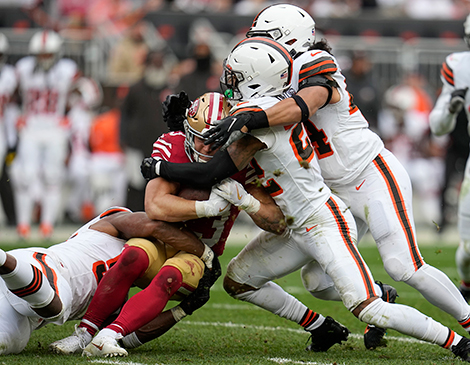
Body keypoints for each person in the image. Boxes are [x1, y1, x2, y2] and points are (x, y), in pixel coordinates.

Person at [141, 36, 470, 362]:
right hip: (293, 224)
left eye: (236, 76)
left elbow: (209, 170)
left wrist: (159, 165)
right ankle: (322, 326)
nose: (230, 82)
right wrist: (186, 117)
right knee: (239, 281)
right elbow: (221, 120)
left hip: (322, 221)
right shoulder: (268, 106)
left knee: (369, 309)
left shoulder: (260, 116)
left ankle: (457, 342)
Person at [51, 92, 290, 357]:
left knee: (171, 275)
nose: (207, 148)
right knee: (132, 255)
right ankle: (84, 334)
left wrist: (246, 200)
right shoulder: (172, 144)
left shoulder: (242, 161)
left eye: (215, 141)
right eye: (201, 138)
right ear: (187, 130)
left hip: (199, 253)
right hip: (163, 239)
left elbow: (277, 222)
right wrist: (206, 208)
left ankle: (110, 334)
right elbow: (155, 206)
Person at [0, 205, 213, 355]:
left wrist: (183, 309)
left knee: (8, 342)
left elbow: (130, 336)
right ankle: (2, 259)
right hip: (42, 266)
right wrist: (205, 253)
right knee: (54, 307)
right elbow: (154, 226)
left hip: (28, 315)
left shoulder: (115, 294)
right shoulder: (110, 224)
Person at [10, 29, 80, 240]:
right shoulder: (23, 69)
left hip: (55, 129)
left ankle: (46, 225)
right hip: (31, 127)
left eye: (48, 54)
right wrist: (17, 114)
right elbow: (11, 95)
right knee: (26, 176)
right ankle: (23, 224)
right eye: (41, 54)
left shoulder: (68, 70)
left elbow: (85, 92)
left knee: (52, 176)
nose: (44, 58)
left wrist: (72, 113)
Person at [429, 14, 470, 301]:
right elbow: (437, 126)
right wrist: (452, 108)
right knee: (468, 251)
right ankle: (467, 286)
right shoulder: (459, 66)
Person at [120, 49, 173, 211]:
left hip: (164, 147)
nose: (157, 66)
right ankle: (133, 216)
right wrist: (124, 140)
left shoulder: (171, 89)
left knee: (162, 183)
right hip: (138, 144)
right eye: (153, 63)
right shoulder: (136, 89)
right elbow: (124, 115)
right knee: (136, 183)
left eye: (160, 63)